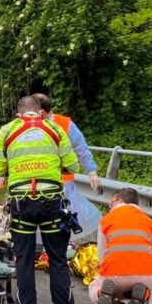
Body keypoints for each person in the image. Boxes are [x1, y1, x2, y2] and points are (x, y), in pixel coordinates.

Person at [0, 96, 84, 304]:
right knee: (57, 260)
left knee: (23, 261)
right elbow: (73, 166)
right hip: (52, 202)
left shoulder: (7, 130)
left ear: (19, 114)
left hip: (21, 205)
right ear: (40, 113)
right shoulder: (54, 128)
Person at [88, 187, 152, 304]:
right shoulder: (151, 223)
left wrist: (103, 276)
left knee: (93, 286)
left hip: (114, 275)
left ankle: (103, 294)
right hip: (147, 275)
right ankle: (143, 297)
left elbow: (102, 255)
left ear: (117, 200)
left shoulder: (105, 221)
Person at [33, 93, 102, 237]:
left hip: (62, 185)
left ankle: (62, 249)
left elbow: (81, 148)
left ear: (41, 112)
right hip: (36, 183)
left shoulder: (65, 124)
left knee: (63, 223)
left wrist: (91, 171)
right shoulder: (29, 124)